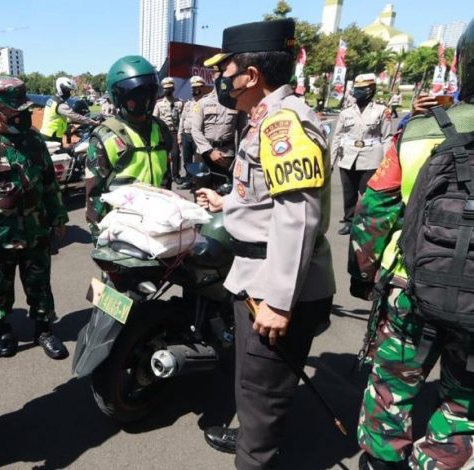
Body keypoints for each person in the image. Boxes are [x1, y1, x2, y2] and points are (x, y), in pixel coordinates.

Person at [195, 19, 335, 469]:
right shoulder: (266, 119)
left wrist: (278, 300)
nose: (221, 80)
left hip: (273, 287)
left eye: (226, 70)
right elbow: (268, 197)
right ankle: (255, 434)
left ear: (251, 76)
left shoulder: (283, 126)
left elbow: (297, 219)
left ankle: (255, 453)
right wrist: (228, 201)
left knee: (260, 397)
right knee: (257, 390)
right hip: (256, 276)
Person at [349, 20, 474, 470]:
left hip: (410, 287)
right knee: (465, 404)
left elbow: (374, 211)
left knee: (393, 386)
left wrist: (363, 274)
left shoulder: (420, 131)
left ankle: (382, 462)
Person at [0, 77, 70, 360]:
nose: (26, 117)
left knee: (40, 285)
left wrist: (58, 217)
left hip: (35, 231)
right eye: (18, 113)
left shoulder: (32, 139)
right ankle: (3, 329)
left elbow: (48, 183)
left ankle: (44, 329)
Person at [84, 55, 174, 238]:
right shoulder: (105, 136)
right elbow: (94, 193)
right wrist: (100, 236)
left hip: (158, 222)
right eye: (135, 95)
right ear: (119, 98)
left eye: (148, 93)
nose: (143, 100)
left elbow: (165, 176)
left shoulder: (161, 129)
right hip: (122, 228)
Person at [331, 73, 392, 235]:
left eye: (361, 89)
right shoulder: (346, 112)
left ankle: (367, 222)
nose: (357, 92)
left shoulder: (381, 111)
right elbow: (336, 137)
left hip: (371, 158)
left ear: (371, 90)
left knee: (368, 194)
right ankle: (349, 221)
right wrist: (331, 161)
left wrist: (387, 162)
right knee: (349, 194)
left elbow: (387, 138)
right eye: (356, 89)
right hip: (347, 158)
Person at [190, 69, 238, 172]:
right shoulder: (202, 102)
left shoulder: (237, 103)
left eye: (225, 73)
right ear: (213, 77)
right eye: (218, 74)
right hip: (203, 154)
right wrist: (210, 151)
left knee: (224, 187)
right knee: (202, 186)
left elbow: (242, 130)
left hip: (227, 154)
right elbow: (195, 130)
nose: (222, 77)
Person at [40, 76, 98, 142]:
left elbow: (57, 117)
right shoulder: (59, 104)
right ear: (62, 89)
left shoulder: (53, 99)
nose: (69, 93)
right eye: (68, 90)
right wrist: (92, 122)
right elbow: (75, 116)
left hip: (49, 133)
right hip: (52, 136)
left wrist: (70, 124)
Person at [153, 77, 184, 184]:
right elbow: (155, 118)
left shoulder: (179, 103)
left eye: (170, 88)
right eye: (166, 88)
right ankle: (167, 174)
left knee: (175, 154)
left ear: (173, 89)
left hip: (175, 131)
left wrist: (180, 134)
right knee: (164, 154)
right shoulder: (159, 104)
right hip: (163, 132)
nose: (168, 90)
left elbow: (182, 120)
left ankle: (176, 175)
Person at [177, 75, 206, 188]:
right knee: (187, 160)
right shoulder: (188, 103)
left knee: (198, 160)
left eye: (197, 87)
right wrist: (180, 134)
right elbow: (182, 120)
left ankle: (198, 181)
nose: (194, 90)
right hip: (186, 135)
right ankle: (189, 180)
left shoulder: (205, 103)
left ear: (202, 88)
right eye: (193, 87)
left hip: (198, 136)